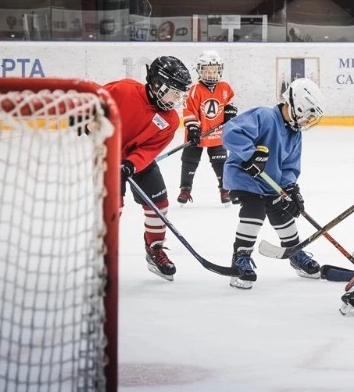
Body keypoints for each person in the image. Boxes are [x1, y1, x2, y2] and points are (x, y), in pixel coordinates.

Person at [222, 77, 325, 289]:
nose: (307, 121)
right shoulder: (265, 116)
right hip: (244, 178)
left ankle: (294, 252)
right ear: (296, 105)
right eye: (307, 114)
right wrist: (250, 155)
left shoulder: (294, 133)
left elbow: (289, 165)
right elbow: (231, 132)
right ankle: (240, 257)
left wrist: (290, 189)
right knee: (255, 209)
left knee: (283, 210)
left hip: (270, 182)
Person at [105, 56, 192, 281]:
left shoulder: (170, 120)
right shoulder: (124, 90)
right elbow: (92, 98)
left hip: (135, 162)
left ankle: (155, 249)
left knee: (159, 204)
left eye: (181, 94)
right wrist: (83, 115)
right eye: (175, 92)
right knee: (112, 209)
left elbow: (150, 150)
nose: (178, 99)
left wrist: (132, 164)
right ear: (157, 84)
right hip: (106, 158)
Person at [177, 51, 238, 205]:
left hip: (216, 133)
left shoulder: (225, 87)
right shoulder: (194, 89)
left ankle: (225, 189)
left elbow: (229, 101)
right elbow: (189, 110)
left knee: (221, 161)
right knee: (189, 160)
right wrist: (192, 128)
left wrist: (230, 110)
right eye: (207, 70)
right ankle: (185, 189)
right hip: (196, 133)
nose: (211, 73)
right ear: (200, 70)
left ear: (220, 70)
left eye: (214, 70)